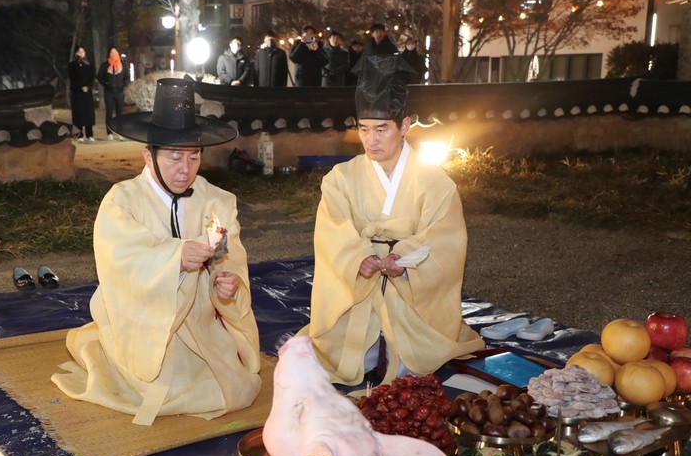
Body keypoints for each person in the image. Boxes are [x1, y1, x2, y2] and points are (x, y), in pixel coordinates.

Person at [52, 78, 261, 425]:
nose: (185, 169)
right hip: (142, 323)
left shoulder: (216, 201)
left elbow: (227, 251)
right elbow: (121, 261)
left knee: (236, 391)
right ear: (148, 156)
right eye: (174, 157)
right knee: (164, 389)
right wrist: (174, 259)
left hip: (199, 318)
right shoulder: (122, 201)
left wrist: (228, 281)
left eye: (194, 157)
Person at [299, 53, 484, 386]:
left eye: (381, 129)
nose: (371, 140)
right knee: (339, 358)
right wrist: (357, 257)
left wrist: (406, 257)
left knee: (412, 365)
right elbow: (332, 232)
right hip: (359, 297)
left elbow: (444, 241)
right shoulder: (340, 178)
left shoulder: (435, 183)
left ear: (405, 126)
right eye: (364, 129)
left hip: (410, 296)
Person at [97, 46, 130, 139]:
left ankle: (120, 132)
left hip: (119, 92)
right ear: (109, 54)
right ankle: (109, 133)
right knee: (109, 113)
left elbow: (127, 77)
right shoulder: (105, 65)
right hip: (109, 92)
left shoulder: (123, 64)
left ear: (118, 53)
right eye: (111, 52)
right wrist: (106, 83)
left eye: (115, 52)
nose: (113, 54)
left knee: (120, 113)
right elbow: (99, 77)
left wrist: (123, 84)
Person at [68, 45, 96, 141]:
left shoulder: (89, 64)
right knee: (78, 114)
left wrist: (87, 86)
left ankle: (90, 135)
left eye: (83, 51)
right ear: (76, 53)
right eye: (79, 51)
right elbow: (72, 78)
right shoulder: (72, 65)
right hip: (77, 92)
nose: (81, 53)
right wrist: (81, 87)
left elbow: (92, 76)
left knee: (88, 114)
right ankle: (79, 134)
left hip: (87, 92)